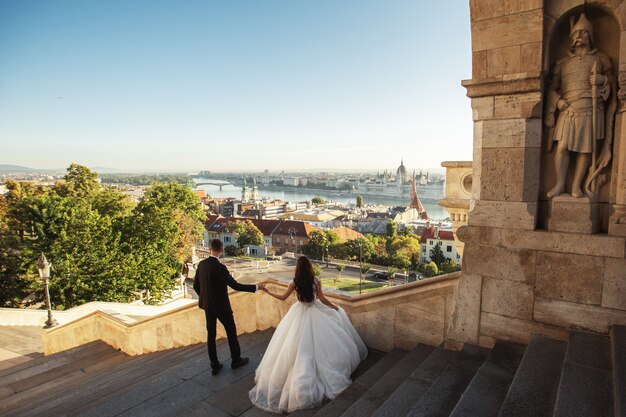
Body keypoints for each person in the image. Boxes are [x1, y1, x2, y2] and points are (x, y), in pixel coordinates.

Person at [249, 256, 367, 414]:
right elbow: (322, 298)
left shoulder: (294, 282)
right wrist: (335, 307)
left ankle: (299, 378)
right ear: (310, 267)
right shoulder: (316, 280)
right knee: (321, 346)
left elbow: (283, 298)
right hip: (315, 310)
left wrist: (267, 290)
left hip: (298, 312)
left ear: (297, 268)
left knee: (295, 346)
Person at [545, 13, 615, 198]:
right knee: (563, 147)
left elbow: (614, 82)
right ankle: (560, 184)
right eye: (576, 33)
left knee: (585, 150)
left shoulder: (600, 59)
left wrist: (603, 79)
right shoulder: (562, 63)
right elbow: (551, 88)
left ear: (590, 35)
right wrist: (558, 101)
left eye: (583, 33)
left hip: (590, 109)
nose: (579, 36)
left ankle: (576, 185)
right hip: (568, 109)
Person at [193, 239, 266, 375]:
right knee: (231, 332)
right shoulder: (220, 268)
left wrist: (204, 298)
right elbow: (235, 286)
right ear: (221, 250)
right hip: (221, 307)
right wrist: (256, 287)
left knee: (211, 335)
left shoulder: (201, 265)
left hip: (208, 306)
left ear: (210, 249)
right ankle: (236, 360)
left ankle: (214, 365)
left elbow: (195, 285)